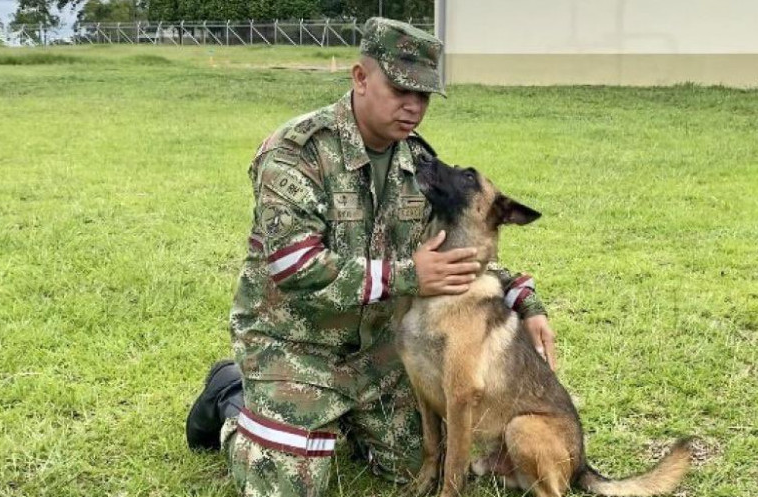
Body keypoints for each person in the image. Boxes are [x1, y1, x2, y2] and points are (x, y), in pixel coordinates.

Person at [185, 17, 557, 497]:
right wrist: (407, 275)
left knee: (419, 464)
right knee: (289, 483)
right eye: (401, 88)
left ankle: (335, 421)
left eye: (423, 96)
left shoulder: (417, 165)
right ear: (360, 77)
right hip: (296, 346)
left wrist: (526, 301)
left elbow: (455, 254)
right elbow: (296, 268)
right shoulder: (297, 153)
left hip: (377, 353)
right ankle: (231, 393)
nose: (413, 107)